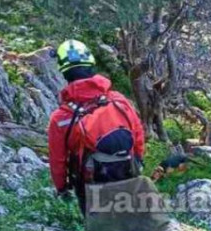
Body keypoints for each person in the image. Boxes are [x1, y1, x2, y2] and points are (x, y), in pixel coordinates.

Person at [48, 39, 146, 214]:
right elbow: (137, 133)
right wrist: (138, 159)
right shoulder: (118, 100)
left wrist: (62, 188)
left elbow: (58, 160)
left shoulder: (61, 117)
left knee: (98, 228)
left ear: (64, 74)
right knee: (129, 217)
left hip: (88, 182)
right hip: (126, 169)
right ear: (91, 67)